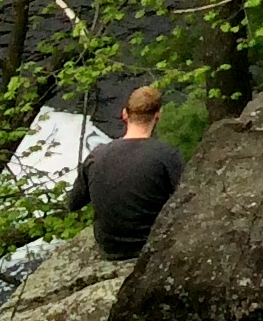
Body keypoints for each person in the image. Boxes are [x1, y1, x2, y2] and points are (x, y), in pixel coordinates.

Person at [67, 82, 183, 260]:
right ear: (158, 115)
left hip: (110, 248)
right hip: (152, 247)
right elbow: (186, 200)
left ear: (124, 114)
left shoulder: (96, 156)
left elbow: (73, 203)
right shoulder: (167, 155)